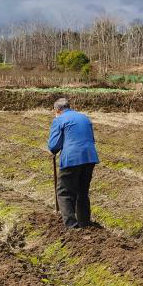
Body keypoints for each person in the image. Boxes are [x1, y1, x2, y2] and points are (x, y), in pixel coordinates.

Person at [47, 97, 99, 229]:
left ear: (57, 110)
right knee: (82, 191)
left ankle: (72, 226)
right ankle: (85, 223)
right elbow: (91, 139)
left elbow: (53, 146)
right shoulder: (84, 118)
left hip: (71, 158)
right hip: (89, 157)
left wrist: (54, 150)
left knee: (64, 192)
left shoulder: (59, 119)